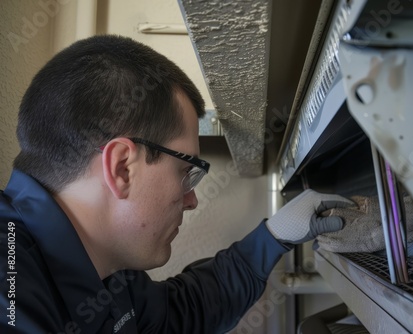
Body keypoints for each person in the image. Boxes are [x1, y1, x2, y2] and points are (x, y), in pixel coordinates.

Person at [0, 35, 349, 333]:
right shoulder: (10, 290)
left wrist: (275, 235)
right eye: (186, 171)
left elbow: (182, 313)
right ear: (123, 168)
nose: (191, 199)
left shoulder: (109, 276)